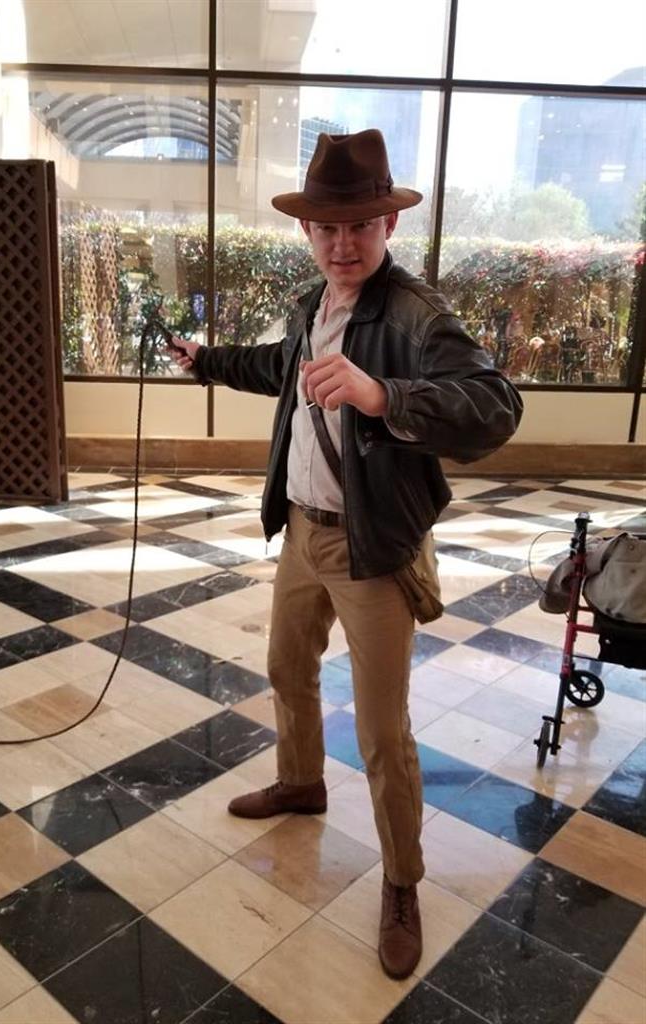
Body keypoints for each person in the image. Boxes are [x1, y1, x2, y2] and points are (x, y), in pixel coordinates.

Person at [170, 129, 523, 979]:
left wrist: (382, 394)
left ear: (387, 225)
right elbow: (280, 367)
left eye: (360, 224)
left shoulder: (414, 314)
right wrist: (207, 361)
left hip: (373, 545)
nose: (342, 243)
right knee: (287, 668)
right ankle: (301, 783)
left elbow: (495, 407)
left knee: (380, 731)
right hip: (303, 530)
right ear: (307, 229)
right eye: (327, 227)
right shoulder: (313, 304)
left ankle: (401, 880)